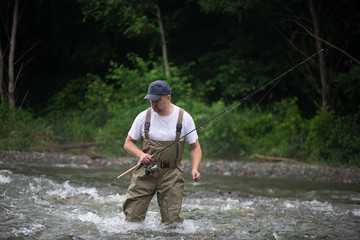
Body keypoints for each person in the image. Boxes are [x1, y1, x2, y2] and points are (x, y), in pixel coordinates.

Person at [122, 80, 202, 225]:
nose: (153, 104)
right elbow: (128, 143)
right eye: (151, 100)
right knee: (132, 218)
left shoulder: (184, 118)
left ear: (168, 97)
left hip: (172, 173)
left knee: (172, 223)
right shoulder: (143, 117)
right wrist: (141, 155)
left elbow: (195, 147)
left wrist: (195, 168)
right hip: (145, 171)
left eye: (157, 100)